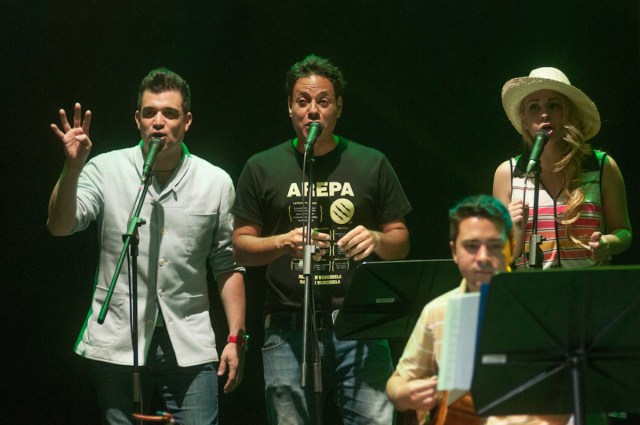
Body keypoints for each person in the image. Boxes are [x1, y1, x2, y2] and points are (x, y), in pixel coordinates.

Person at [47, 67, 246, 425]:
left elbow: (227, 265)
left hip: (189, 339)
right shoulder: (105, 169)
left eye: (169, 113)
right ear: (137, 119)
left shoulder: (215, 181)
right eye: (150, 112)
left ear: (186, 121)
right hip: (118, 337)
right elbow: (60, 227)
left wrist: (235, 337)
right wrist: (72, 167)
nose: (158, 121)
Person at [231, 54, 412, 425]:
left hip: (360, 324)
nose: (313, 111)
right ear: (290, 108)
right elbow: (241, 247)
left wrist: (377, 238)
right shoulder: (262, 166)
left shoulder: (371, 162)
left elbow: (401, 240)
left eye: (323, 101)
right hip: (288, 327)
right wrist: (283, 242)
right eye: (303, 101)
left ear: (338, 107)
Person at [386, 194, 576, 425]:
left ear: (511, 247)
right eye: (471, 247)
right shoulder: (437, 311)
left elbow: (564, 410)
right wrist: (403, 395)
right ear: (454, 252)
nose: (483, 257)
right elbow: (397, 382)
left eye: (494, 246)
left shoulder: (541, 311)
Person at [493, 67, 631, 269]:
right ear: (523, 118)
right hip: (531, 294)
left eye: (554, 105)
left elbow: (624, 232)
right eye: (534, 107)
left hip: (591, 291)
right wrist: (515, 233)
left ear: (569, 113)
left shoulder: (602, 166)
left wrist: (607, 243)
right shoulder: (507, 173)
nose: (544, 114)